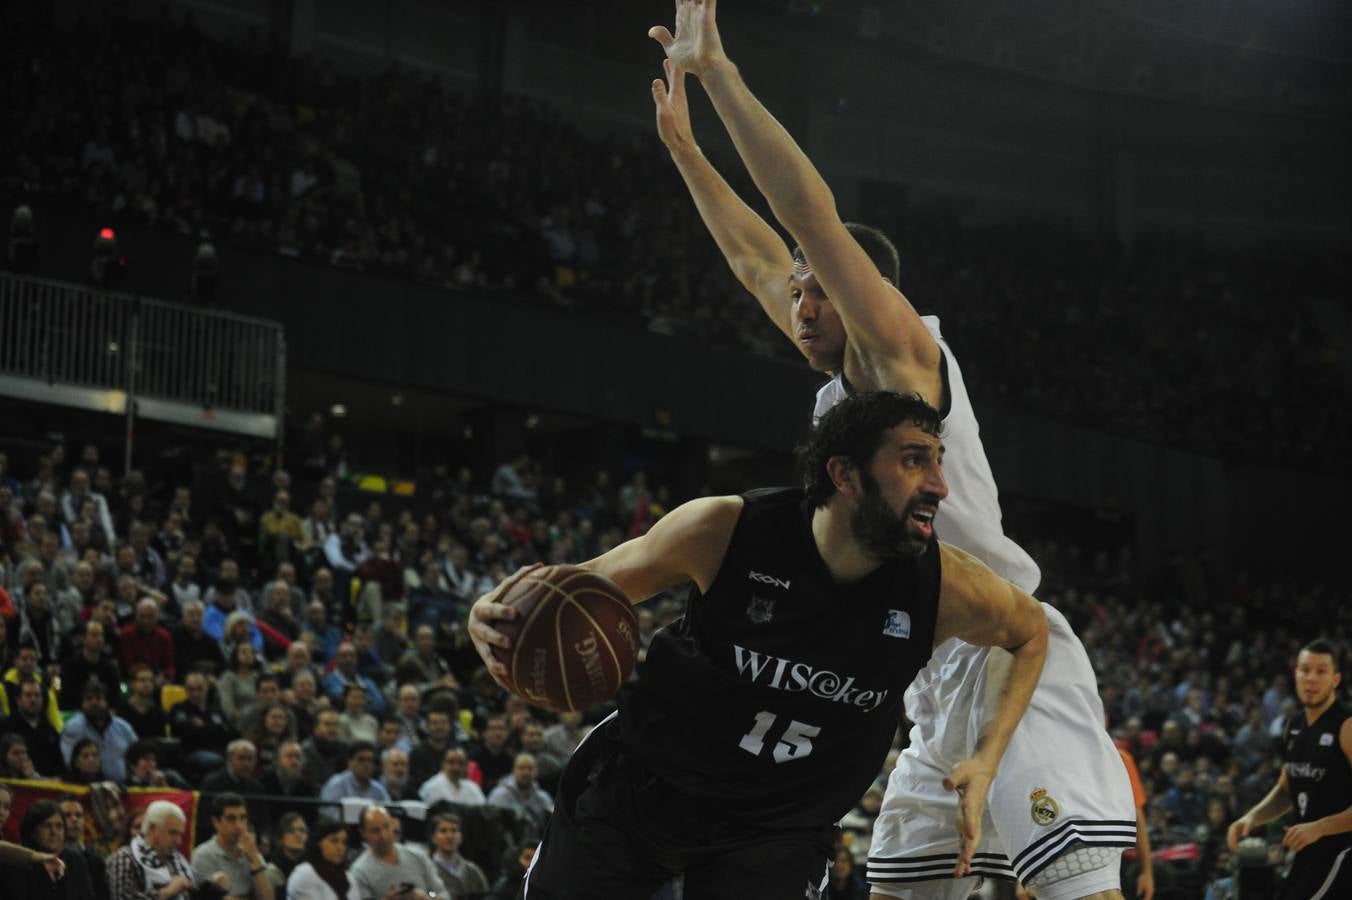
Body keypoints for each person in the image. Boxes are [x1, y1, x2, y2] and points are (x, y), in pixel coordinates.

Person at [647, 4, 1135, 896]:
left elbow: (806, 217)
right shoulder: (842, 393)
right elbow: (763, 261)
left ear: (858, 289)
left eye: (818, 291)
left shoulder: (905, 355)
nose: (800, 305)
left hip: (1006, 649)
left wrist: (720, 77)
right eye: (797, 295)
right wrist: (684, 152)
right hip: (924, 676)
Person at [470, 391, 1048, 896]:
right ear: (844, 474)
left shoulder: (946, 587)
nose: (940, 486)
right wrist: (494, 611)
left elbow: (1030, 632)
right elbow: (577, 585)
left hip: (780, 826)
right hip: (646, 779)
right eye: (914, 460)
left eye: (939, 462)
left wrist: (986, 758)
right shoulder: (725, 529)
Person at [1227, 639, 1352, 899]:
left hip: (1342, 852)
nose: (1311, 678)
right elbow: (1286, 791)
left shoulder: (1346, 726)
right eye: (1305, 670)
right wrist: (1252, 818)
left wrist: (1319, 828)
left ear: (1335, 679)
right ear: (1296, 674)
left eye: (1321, 671)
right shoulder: (1292, 726)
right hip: (1307, 853)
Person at [107, 800, 201, 900]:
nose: (179, 841)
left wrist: (214, 882)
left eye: (180, 835)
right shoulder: (125, 857)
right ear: (152, 829)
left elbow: (195, 886)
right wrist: (168, 891)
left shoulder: (175, 858)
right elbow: (122, 898)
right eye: (173, 833)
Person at [1, 799, 94, 900]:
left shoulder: (75, 859)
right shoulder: (17, 861)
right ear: (32, 831)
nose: (54, 832)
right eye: (46, 826)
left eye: (59, 826)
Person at [349, 806, 447, 900]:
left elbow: (439, 892)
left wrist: (429, 896)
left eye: (386, 826)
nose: (383, 835)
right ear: (363, 833)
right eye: (375, 831)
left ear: (393, 825)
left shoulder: (417, 856)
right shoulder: (359, 872)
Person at [191, 793, 274, 900]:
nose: (239, 826)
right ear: (216, 822)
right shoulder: (203, 855)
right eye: (231, 819)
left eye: (242, 818)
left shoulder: (251, 852)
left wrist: (254, 859)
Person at [60, 681, 138, 782]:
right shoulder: (72, 728)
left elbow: (138, 756)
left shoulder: (123, 727)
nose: (94, 703)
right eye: (89, 699)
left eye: (99, 698)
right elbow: (69, 762)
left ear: (107, 702)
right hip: (84, 789)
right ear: (82, 703)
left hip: (123, 788)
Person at [285, 818, 360, 900]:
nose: (340, 848)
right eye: (334, 841)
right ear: (318, 842)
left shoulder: (349, 877)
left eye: (344, 842)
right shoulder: (304, 874)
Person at [426, 812, 489, 897]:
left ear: (461, 837)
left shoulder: (473, 871)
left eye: (454, 830)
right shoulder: (427, 871)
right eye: (443, 831)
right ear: (433, 838)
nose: (449, 836)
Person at [319, 740, 390, 804]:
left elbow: (390, 812)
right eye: (361, 760)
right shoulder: (336, 785)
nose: (366, 765)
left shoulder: (378, 789)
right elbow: (327, 813)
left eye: (370, 760)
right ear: (350, 762)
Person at [418, 747, 486, 806]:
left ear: (466, 766)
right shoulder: (431, 787)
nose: (456, 768)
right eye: (451, 762)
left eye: (461, 763)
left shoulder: (472, 788)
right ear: (443, 764)